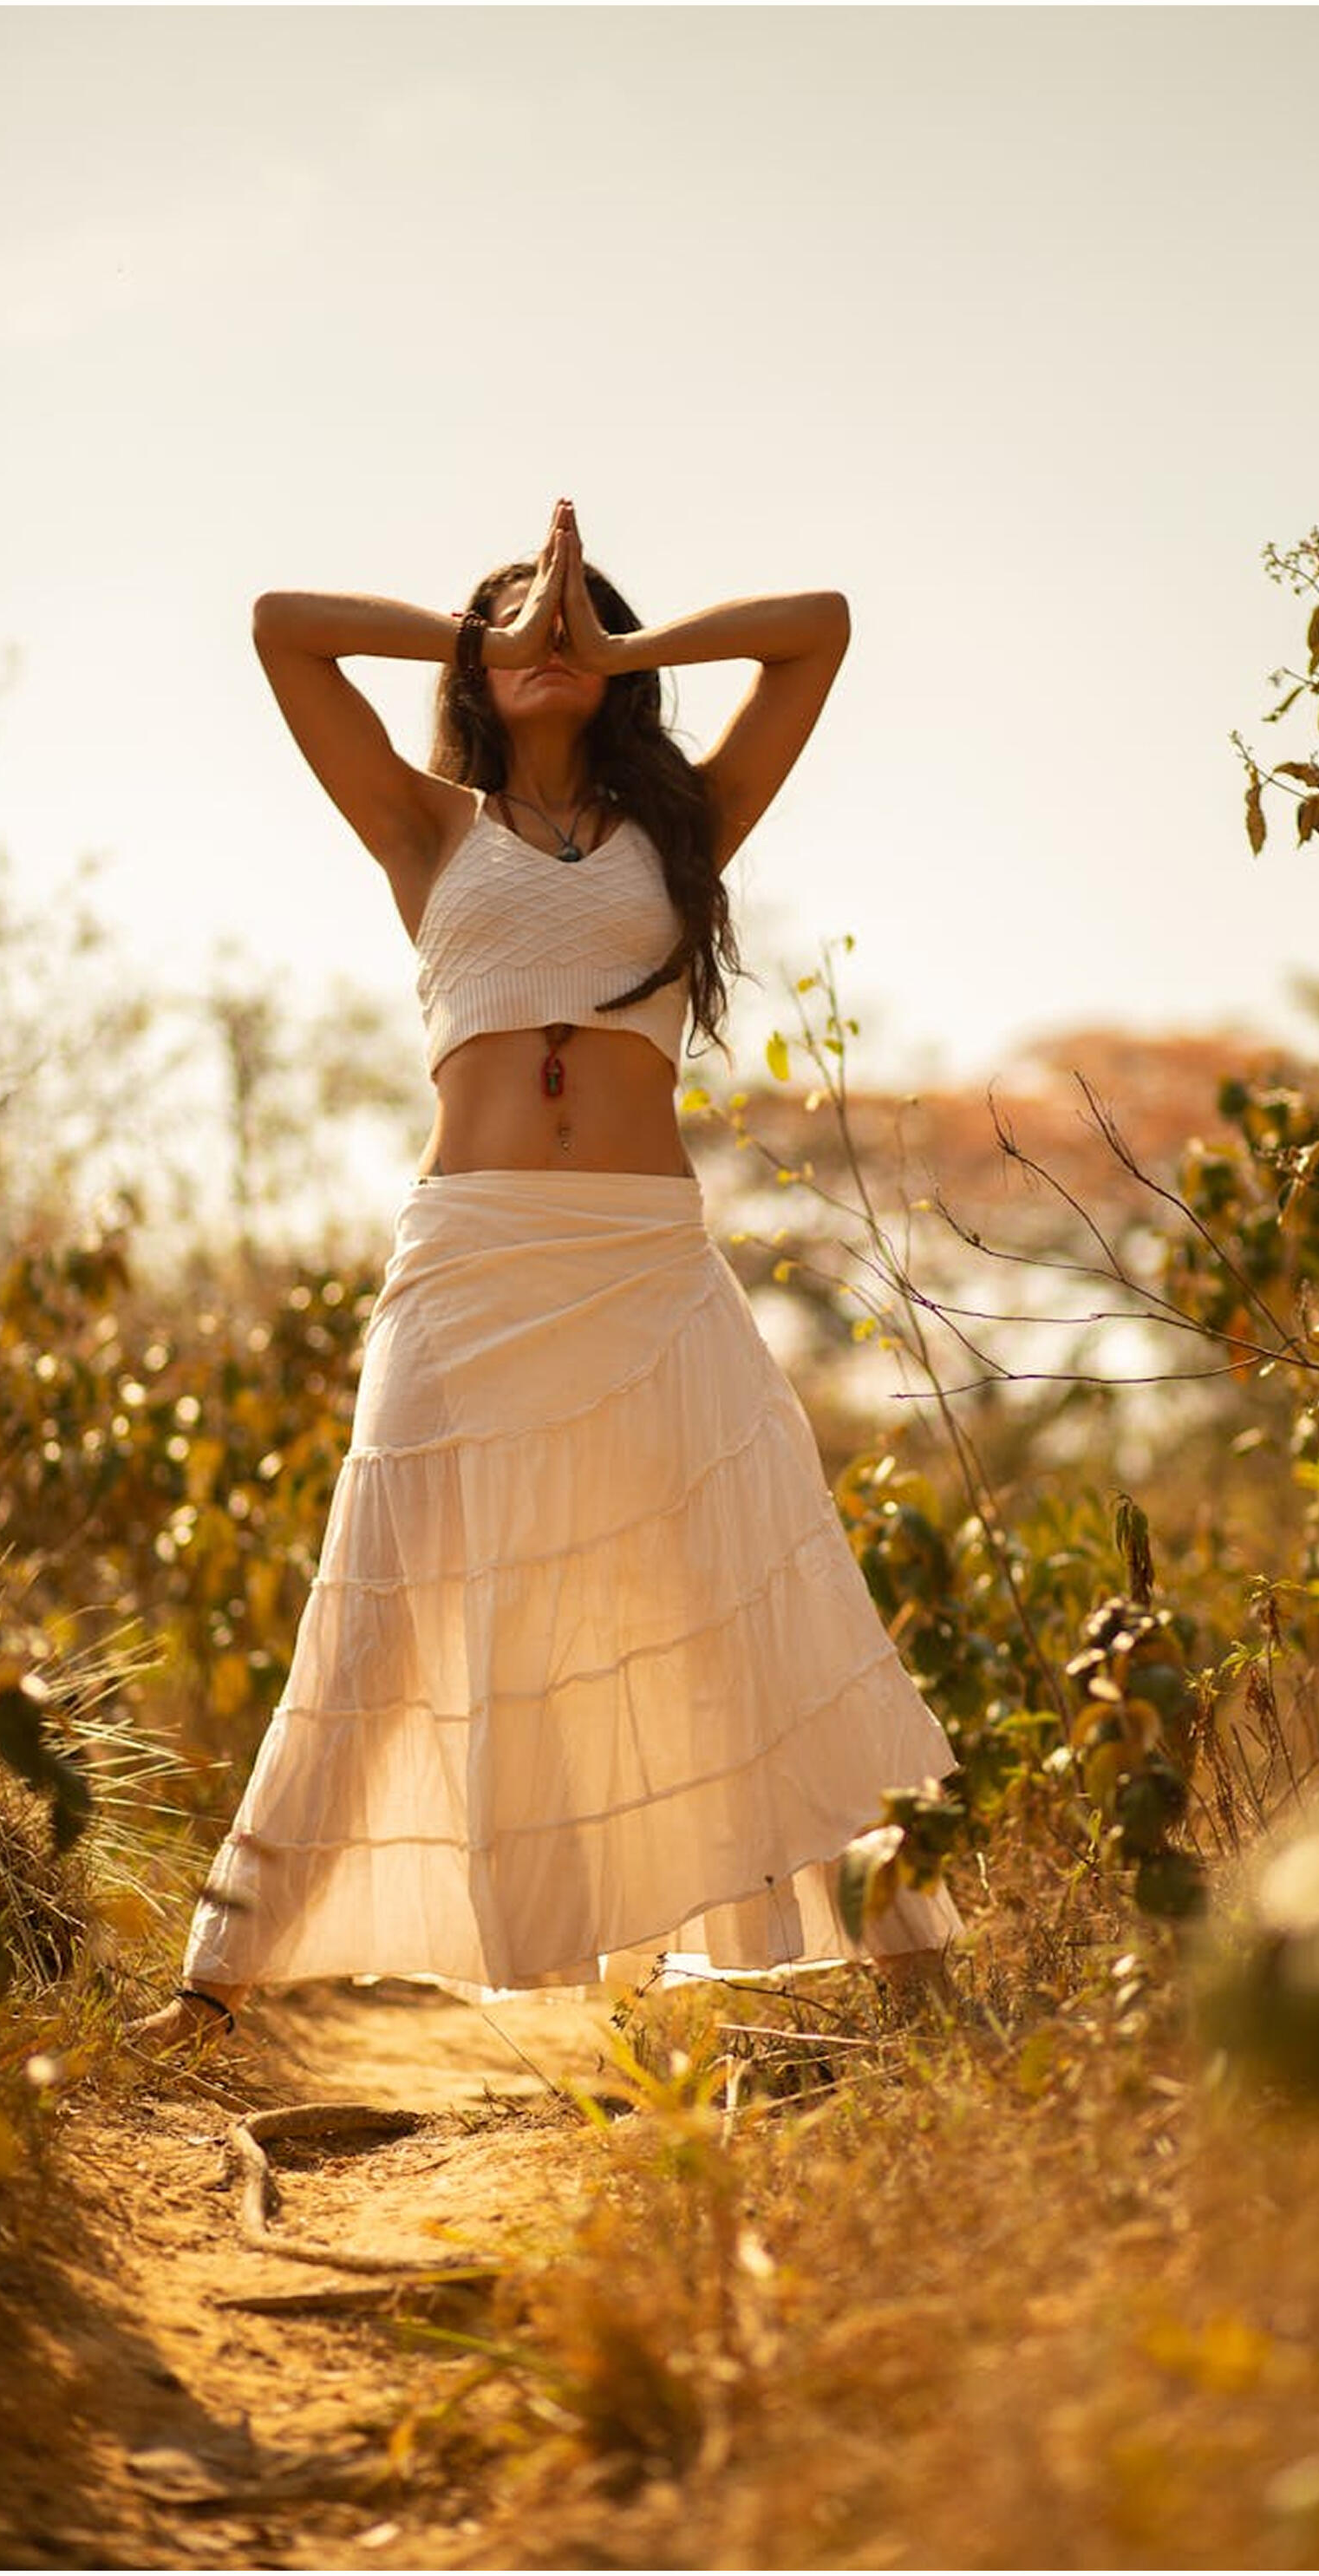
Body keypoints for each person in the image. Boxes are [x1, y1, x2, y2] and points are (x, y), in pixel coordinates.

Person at [131, 499, 960, 2049]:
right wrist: (481, 631)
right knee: (376, 1610)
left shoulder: (684, 826)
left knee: (757, 1580)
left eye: (573, 617)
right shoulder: (426, 827)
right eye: (521, 616)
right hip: (470, 1254)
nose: (547, 633)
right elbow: (281, 628)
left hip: (645, 1262)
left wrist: (621, 646)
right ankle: (215, 1983)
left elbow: (821, 628)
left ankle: (918, 1967)